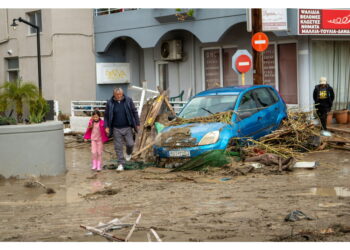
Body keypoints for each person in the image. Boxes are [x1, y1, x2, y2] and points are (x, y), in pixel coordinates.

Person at [104, 88, 140, 171]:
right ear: (114, 95)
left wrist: (137, 123)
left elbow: (134, 112)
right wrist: (106, 126)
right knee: (118, 147)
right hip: (116, 128)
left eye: (120, 94)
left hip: (127, 127)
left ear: (122, 94)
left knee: (130, 143)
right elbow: (106, 116)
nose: (119, 96)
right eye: (117, 95)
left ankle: (128, 152)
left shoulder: (128, 101)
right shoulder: (110, 103)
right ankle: (120, 164)